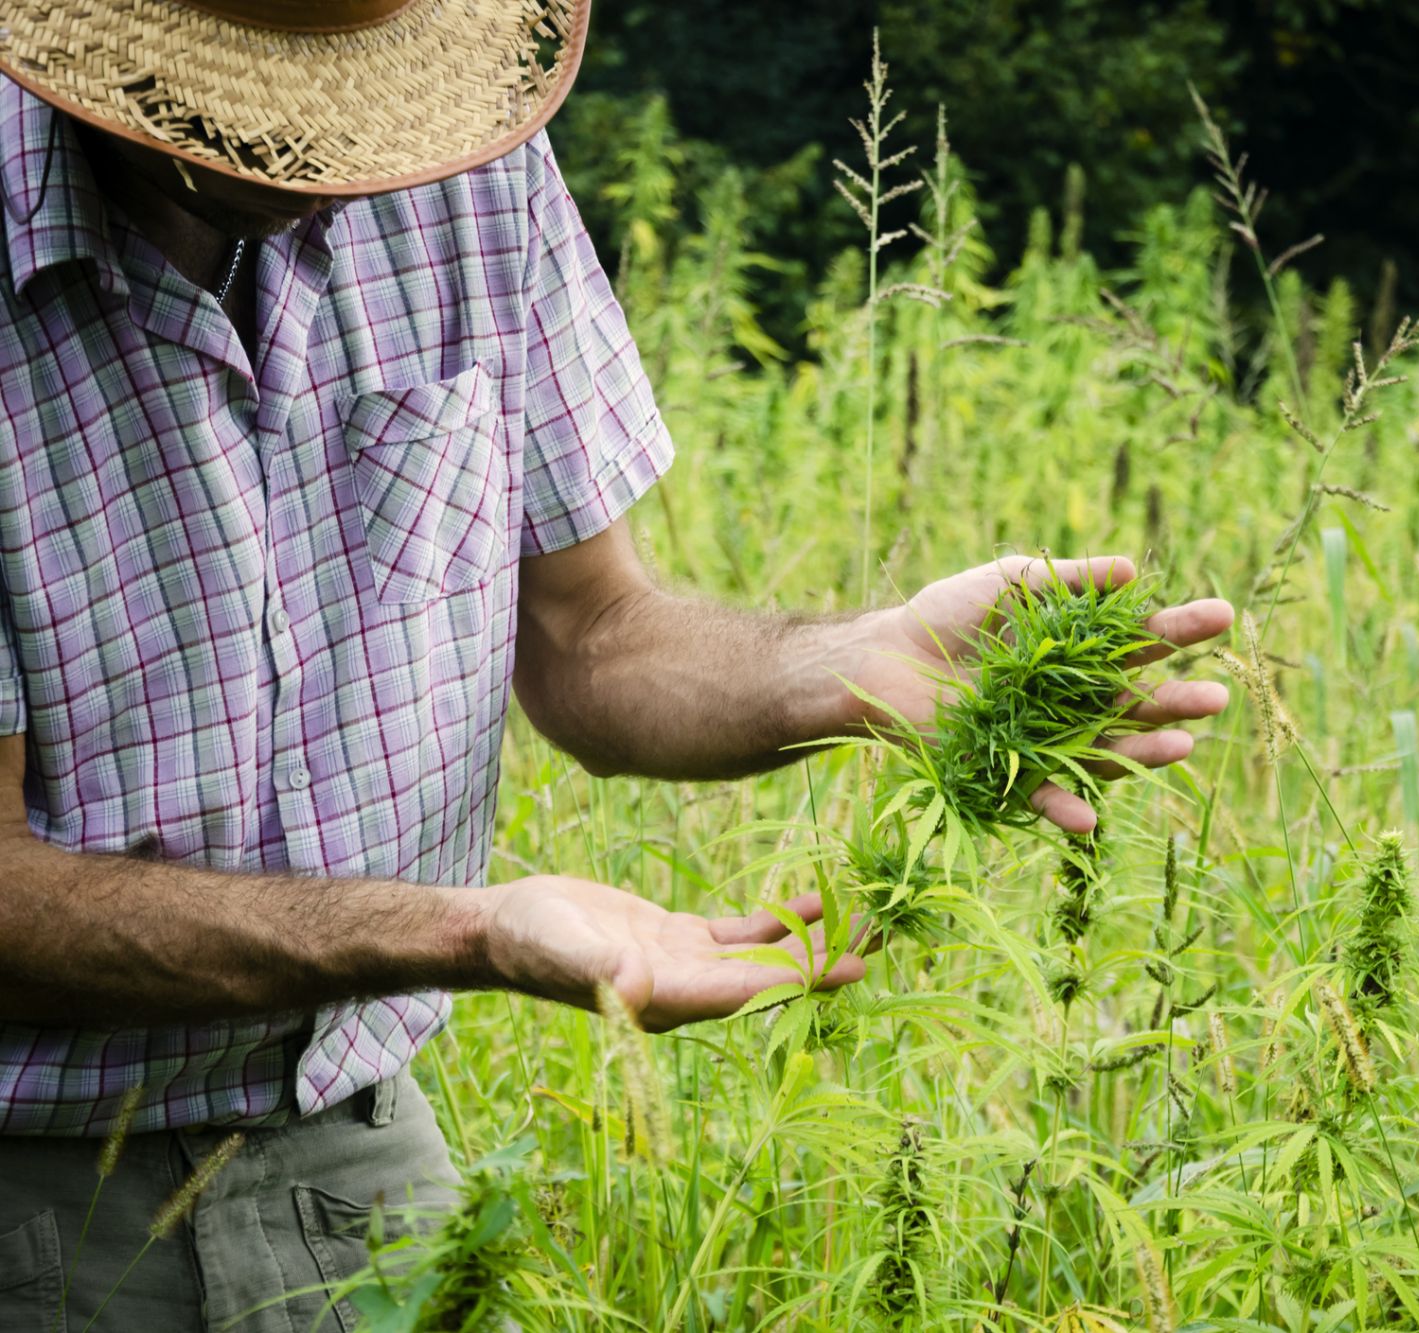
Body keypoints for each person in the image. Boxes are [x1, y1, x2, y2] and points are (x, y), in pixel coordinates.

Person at [0, 1, 1234, 1327]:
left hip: (360, 1145)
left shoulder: (456, 161)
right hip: (41, 1198)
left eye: (352, 94)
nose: (340, 165)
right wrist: (465, 932)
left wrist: (858, 663)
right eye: (271, 113)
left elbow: (593, 635)